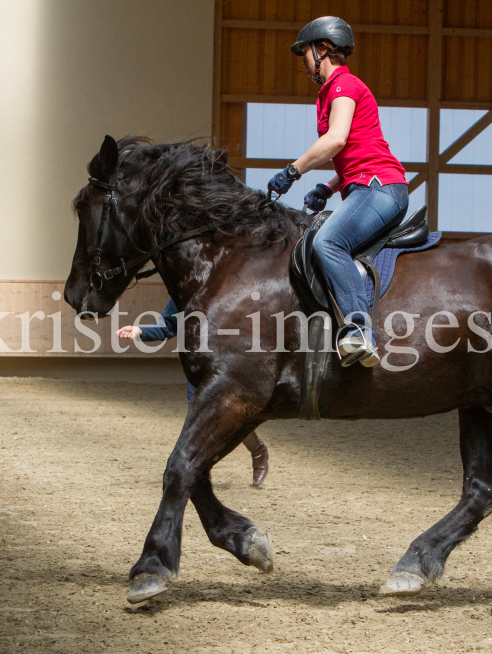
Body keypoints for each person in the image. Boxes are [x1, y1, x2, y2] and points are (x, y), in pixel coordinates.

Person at [266, 16, 410, 368]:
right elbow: (357, 151)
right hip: (365, 185)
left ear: (322, 50)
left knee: (328, 242)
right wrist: (329, 187)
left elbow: (336, 139)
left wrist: (293, 170)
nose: (304, 64)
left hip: (379, 188)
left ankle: (359, 329)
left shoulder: (344, 85)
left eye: (305, 55)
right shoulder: (333, 91)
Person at [115, 298, 270, 486]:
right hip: (198, 367)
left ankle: (258, 450)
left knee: (232, 419)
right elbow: (166, 327)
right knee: (198, 421)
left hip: (228, 364)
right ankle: (202, 473)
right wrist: (139, 330)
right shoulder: (182, 293)